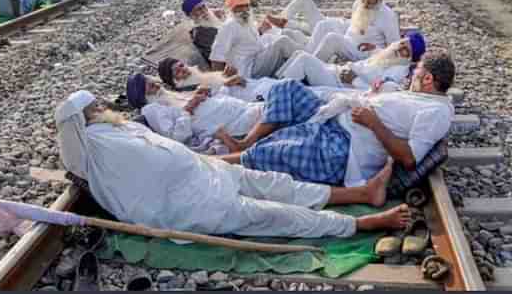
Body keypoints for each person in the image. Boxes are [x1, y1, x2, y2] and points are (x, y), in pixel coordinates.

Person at [56, 90, 411, 238]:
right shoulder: (93, 152)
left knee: (276, 183)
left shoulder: (118, 127)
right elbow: (109, 182)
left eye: (97, 106)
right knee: (272, 213)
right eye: (92, 110)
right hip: (187, 204)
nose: (100, 109)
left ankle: (360, 192)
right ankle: (359, 224)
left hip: (205, 172)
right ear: (81, 123)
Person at [216, 50, 456, 188]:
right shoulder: (424, 99)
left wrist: (374, 122)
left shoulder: (436, 113)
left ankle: (211, 162)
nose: (412, 78)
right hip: (335, 118)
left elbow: (409, 159)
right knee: (286, 88)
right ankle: (247, 142)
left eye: (416, 74)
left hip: (344, 146)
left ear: (427, 79)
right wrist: (376, 94)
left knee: (272, 151)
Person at [127, 73, 263, 145]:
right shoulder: (151, 109)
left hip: (243, 109)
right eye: (152, 87)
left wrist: (204, 93)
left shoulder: (167, 96)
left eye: (155, 83)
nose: (157, 86)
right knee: (276, 100)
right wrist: (188, 108)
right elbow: (176, 137)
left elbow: (199, 103)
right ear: (144, 96)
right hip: (235, 123)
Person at [284, 0, 400, 63]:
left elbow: (395, 46)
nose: (366, 1)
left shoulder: (388, 16)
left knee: (332, 38)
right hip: (349, 40)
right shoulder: (358, 4)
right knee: (323, 24)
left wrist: (376, 50)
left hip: (363, 52)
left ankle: (309, 63)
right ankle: (307, 55)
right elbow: (354, 25)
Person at [277, 32, 426, 91]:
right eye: (401, 43)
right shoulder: (391, 56)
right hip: (337, 72)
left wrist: (354, 80)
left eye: (406, 50)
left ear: (409, 58)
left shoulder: (398, 71)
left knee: (304, 59)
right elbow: (381, 60)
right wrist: (375, 49)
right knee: (298, 53)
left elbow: (378, 94)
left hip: (341, 84)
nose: (400, 49)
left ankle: (273, 94)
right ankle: (275, 82)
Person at [209, 0, 301, 79]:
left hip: (257, 59)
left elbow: (247, 41)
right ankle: (309, 56)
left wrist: (260, 31)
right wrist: (221, 84)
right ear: (232, 9)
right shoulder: (229, 26)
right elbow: (216, 57)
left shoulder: (246, 20)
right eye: (240, 7)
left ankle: (303, 59)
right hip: (249, 71)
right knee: (282, 41)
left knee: (284, 34)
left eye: (246, 5)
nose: (244, 9)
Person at [158, 57, 283, 103]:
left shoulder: (197, 76)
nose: (182, 70)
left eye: (181, 65)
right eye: (177, 71)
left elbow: (215, 82)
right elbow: (214, 101)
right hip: (246, 98)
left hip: (249, 86)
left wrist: (226, 75)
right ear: (174, 80)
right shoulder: (186, 92)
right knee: (282, 88)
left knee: (280, 84)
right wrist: (227, 83)